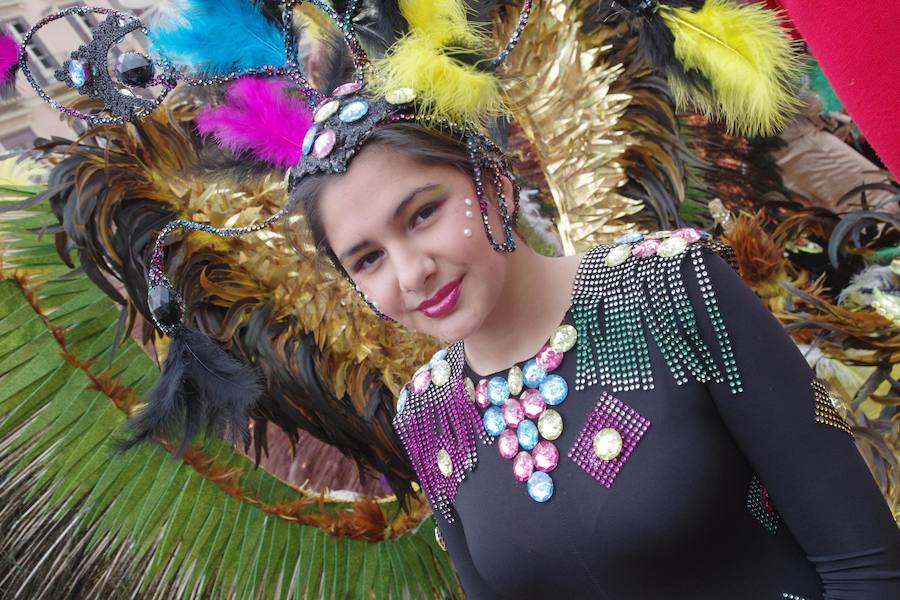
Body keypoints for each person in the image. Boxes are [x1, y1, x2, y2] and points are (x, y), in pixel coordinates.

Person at [16, 1, 900, 598]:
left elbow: (866, 560)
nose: (411, 272)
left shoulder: (672, 288)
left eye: (423, 213)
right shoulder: (432, 414)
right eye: (366, 256)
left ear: (490, 179)